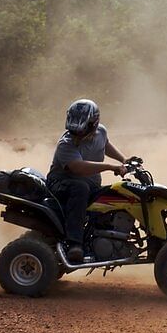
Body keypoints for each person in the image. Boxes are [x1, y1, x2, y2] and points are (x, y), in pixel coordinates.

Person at [46, 99, 128, 263]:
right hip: (60, 184)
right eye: (75, 131)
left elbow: (105, 145)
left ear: (94, 124)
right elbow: (79, 168)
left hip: (90, 184)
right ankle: (75, 244)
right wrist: (111, 167)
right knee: (80, 187)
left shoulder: (101, 131)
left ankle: (103, 236)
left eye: (82, 131)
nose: (78, 135)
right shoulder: (66, 144)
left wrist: (124, 160)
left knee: (118, 192)